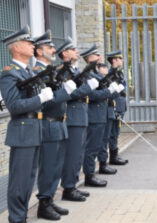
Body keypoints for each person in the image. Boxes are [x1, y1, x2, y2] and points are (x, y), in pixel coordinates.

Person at [0, 25, 54, 223]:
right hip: (22, 131)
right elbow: (14, 106)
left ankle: (21, 216)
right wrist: (41, 98)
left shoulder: (29, 72)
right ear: (16, 47)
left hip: (34, 130)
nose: (32, 46)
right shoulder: (9, 73)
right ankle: (16, 218)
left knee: (29, 180)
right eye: (28, 42)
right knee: (19, 181)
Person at [32, 30, 77, 220]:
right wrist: (66, 92)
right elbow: (46, 102)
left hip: (60, 124)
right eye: (49, 47)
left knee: (57, 166)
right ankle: (43, 204)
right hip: (48, 124)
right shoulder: (37, 74)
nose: (53, 49)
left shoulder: (51, 71)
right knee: (48, 167)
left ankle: (49, 199)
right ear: (39, 52)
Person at [58, 37, 98, 201]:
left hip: (81, 115)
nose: (76, 51)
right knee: (72, 154)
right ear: (64, 53)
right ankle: (68, 188)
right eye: (72, 49)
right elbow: (70, 94)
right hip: (72, 116)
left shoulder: (75, 72)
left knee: (78, 154)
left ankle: (73, 185)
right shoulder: (64, 72)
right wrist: (88, 88)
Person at [81, 44, 124, 187]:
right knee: (91, 147)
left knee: (100, 143)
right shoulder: (87, 75)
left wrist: (113, 90)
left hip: (102, 113)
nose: (99, 57)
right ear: (89, 59)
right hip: (94, 115)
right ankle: (89, 175)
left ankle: (99, 167)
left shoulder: (97, 74)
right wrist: (108, 91)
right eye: (95, 55)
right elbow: (92, 95)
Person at [97, 51, 129, 172]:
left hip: (120, 106)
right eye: (120, 59)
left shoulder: (119, 73)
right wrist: (114, 107)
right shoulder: (110, 75)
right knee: (111, 133)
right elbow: (111, 92)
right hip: (114, 106)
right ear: (114, 60)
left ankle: (114, 156)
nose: (122, 61)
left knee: (116, 132)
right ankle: (111, 157)